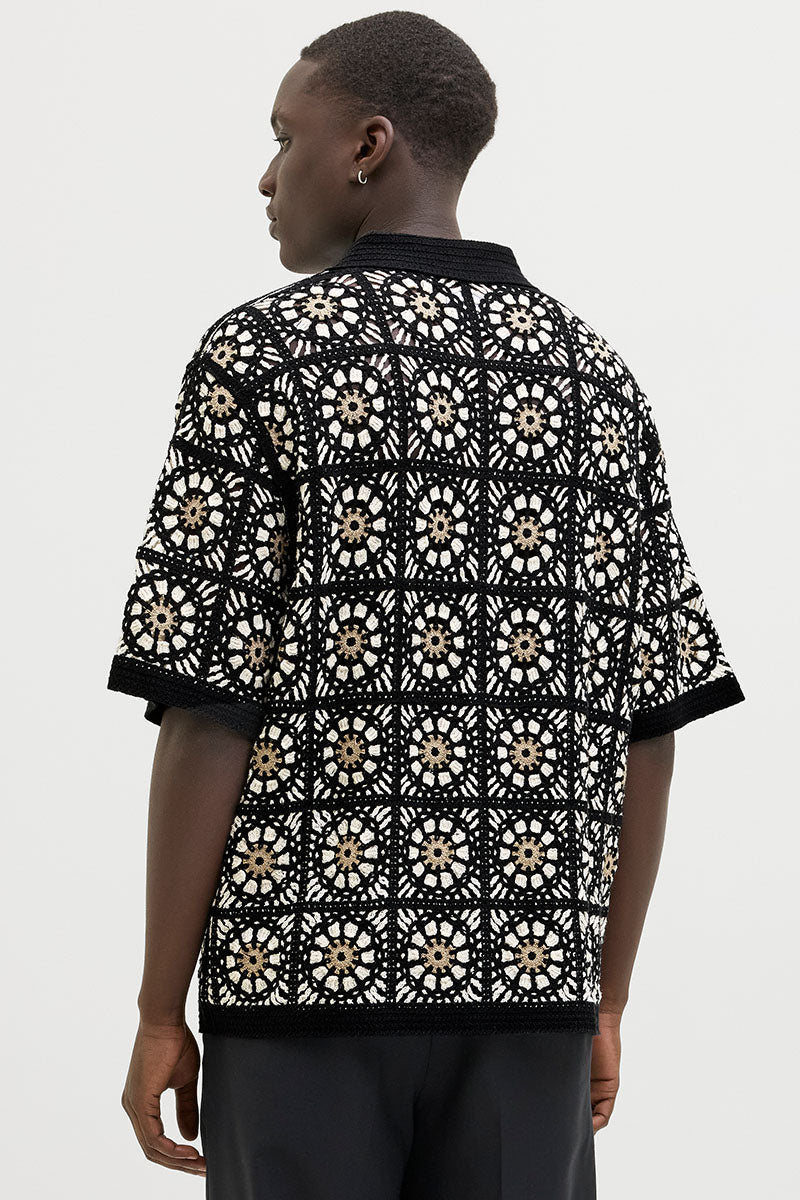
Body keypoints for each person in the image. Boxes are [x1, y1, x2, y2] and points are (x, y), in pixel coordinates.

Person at [107, 11, 745, 1199]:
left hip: (301, 978)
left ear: (367, 145)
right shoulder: (592, 378)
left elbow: (207, 709)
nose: (265, 176)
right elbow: (647, 722)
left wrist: (157, 1008)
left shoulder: (262, 358)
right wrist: (602, 994)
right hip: (530, 991)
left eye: (282, 136)